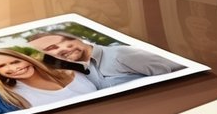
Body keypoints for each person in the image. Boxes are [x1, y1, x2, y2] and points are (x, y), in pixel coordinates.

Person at [26, 30, 182, 89]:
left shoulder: (121, 55)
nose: (62, 49)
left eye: (64, 42)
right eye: (51, 50)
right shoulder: (76, 73)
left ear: (77, 37)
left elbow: (176, 73)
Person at [0, 49, 97, 109]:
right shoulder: (12, 97)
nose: (15, 68)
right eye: (1, 66)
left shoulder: (71, 71)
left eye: (16, 61)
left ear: (25, 59)